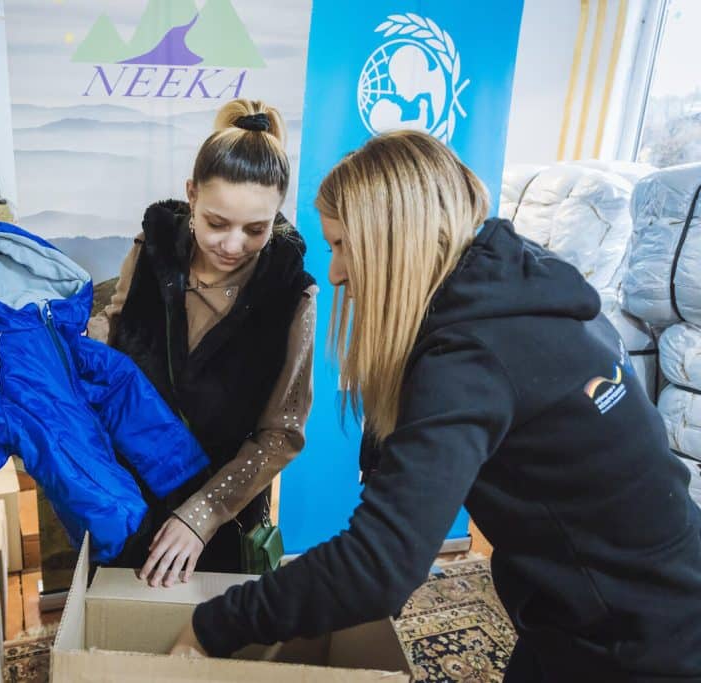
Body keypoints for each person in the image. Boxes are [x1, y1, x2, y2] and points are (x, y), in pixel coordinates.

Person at [170, 130, 701, 681]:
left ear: (392, 243)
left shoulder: (472, 358)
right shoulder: (513, 283)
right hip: (601, 600)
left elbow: (378, 568)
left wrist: (212, 628)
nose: (336, 272)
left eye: (342, 246)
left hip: (639, 639)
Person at [88, 98, 318, 584]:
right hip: (125, 494)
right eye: (217, 223)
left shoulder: (291, 296)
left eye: (256, 230)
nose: (233, 246)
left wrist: (203, 514)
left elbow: (281, 433)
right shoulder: (151, 252)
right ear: (191, 195)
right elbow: (112, 332)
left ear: (277, 215)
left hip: (221, 519)